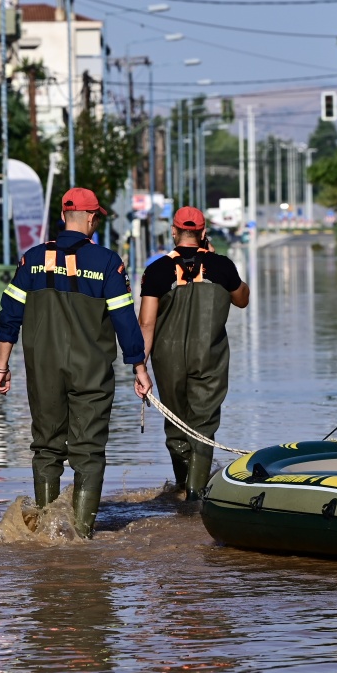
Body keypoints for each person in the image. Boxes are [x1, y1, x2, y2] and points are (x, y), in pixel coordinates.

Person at [0, 187, 153, 538]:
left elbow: (9, 316)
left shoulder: (30, 259)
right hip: (91, 372)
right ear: (92, 217)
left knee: (46, 449)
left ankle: (45, 536)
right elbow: (125, 321)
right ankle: (80, 538)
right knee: (89, 453)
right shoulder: (108, 263)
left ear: (64, 216)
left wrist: (2, 367)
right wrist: (139, 368)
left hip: (43, 371)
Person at [138, 206, 250, 499]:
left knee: (176, 425)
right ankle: (195, 496)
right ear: (202, 233)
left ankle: (180, 489)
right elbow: (243, 299)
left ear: (173, 232)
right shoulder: (223, 266)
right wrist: (213, 258)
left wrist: (140, 367)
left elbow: (146, 323)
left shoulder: (157, 269)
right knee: (203, 426)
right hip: (209, 359)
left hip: (167, 360)